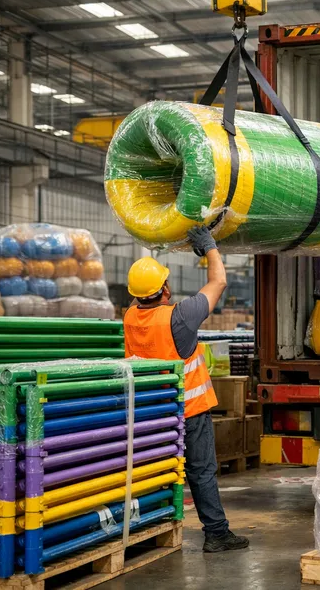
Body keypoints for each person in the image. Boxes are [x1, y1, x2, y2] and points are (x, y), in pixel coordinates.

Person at [123, 226, 249, 553]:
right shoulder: (179, 317)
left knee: (158, 471)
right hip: (188, 410)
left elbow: (144, 302)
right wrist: (210, 247)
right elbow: (218, 282)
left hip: (153, 411)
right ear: (164, 288)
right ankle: (216, 533)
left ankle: (151, 529)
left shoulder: (130, 317)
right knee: (200, 471)